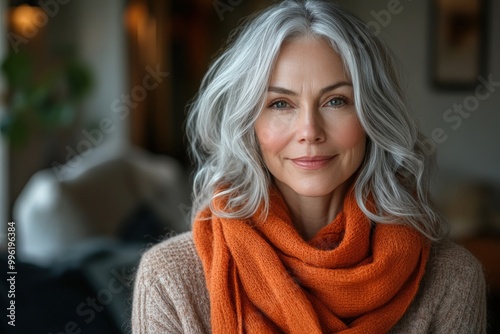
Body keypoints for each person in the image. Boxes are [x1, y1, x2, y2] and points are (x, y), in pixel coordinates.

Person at [132, 1, 487, 333]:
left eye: (336, 100)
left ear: (372, 117)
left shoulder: (452, 278)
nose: (309, 132)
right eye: (281, 103)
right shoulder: (170, 279)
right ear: (249, 124)